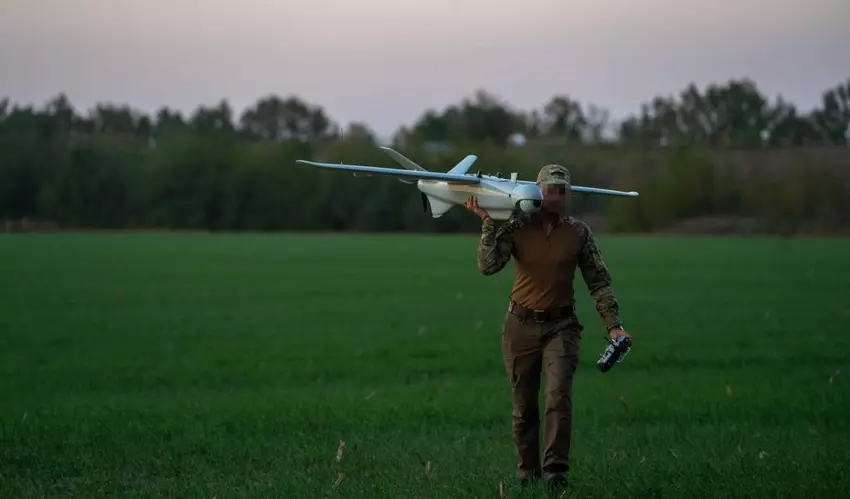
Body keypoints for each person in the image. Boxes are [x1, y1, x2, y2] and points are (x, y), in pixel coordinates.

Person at [464, 164, 631, 490]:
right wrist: (488, 224)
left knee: (558, 396)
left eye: (562, 189)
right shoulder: (516, 226)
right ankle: (527, 474)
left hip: (562, 326)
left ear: (568, 193)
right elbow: (488, 266)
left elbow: (599, 283)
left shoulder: (579, 232)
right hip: (520, 326)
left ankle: (555, 472)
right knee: (524, 405)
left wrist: (614, 326)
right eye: (550, 189)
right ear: (538, 191)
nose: (556, 195)